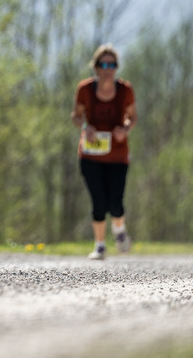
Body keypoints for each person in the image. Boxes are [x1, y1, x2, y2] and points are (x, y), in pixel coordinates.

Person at [70, 44, 138, 260]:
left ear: (117, 67)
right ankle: (99, 246)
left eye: (112, 64)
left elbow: (132, 117)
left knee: (115, 204)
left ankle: (119, 230)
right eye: (104, 64)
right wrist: (85, 128)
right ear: (96, 67)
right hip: (90, 155)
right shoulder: (85, 89)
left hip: (117, 155)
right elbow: (76, 116)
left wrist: (125, 129)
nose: (108, 69)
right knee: (98, 202)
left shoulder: (125, 90)